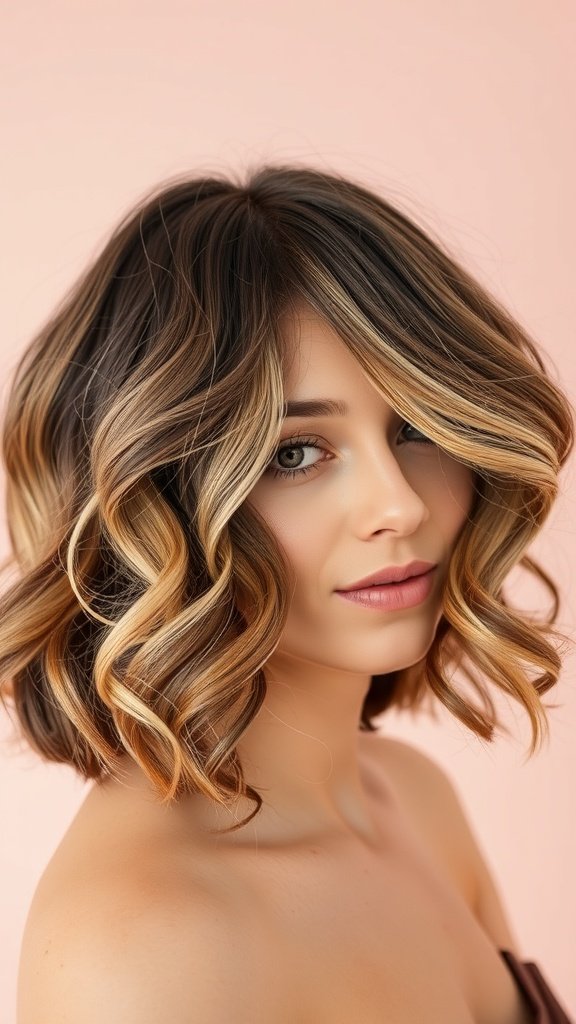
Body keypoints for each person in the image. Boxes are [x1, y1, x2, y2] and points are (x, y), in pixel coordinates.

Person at [0, 165, 573, 1023]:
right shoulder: (139, 954)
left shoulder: (411, 799)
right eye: (295, 453)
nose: (400, 505)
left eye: (418, 428)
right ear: (159, 499)